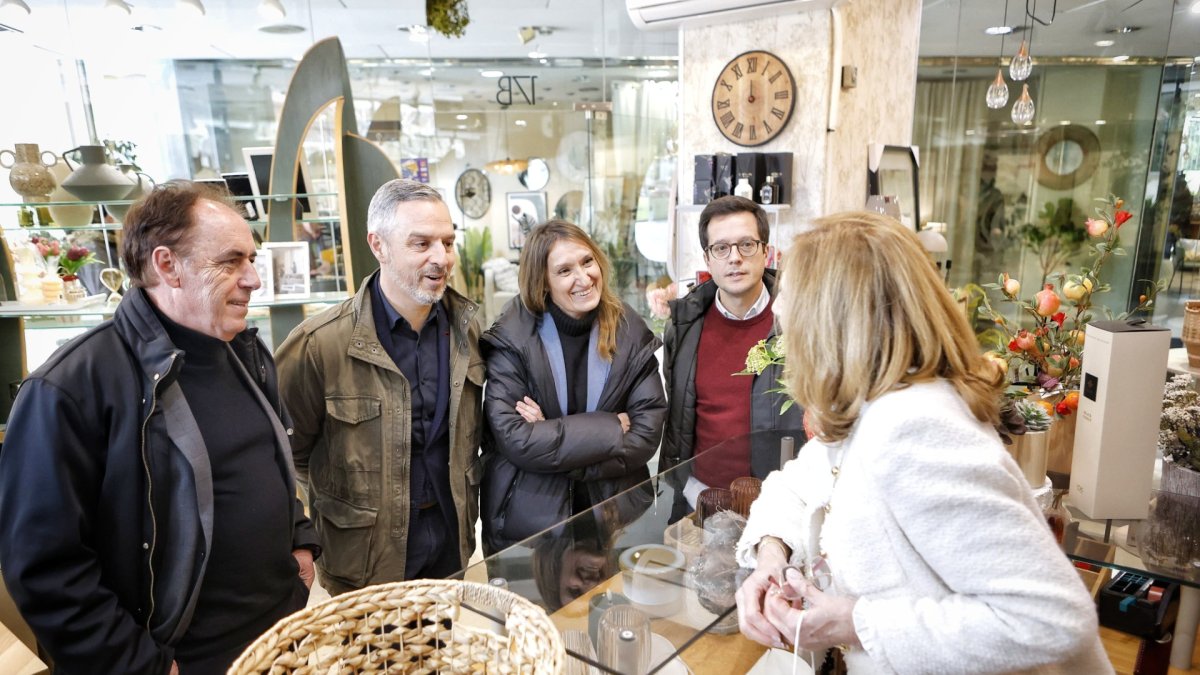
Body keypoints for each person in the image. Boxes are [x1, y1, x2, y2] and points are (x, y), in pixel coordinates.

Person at [734, 212, 1112, 673]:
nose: (775, 309)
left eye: (789, 295)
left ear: (836, 318)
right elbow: (798, 483)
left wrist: (854, 622)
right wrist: (771, 554)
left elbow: (1051, 619)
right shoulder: (878, 401)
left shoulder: (912, 426)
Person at [0, 181, 319, 675]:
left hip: (280, 639)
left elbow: (270, 462)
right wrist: (137, 665)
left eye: (251, 259)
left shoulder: (247, 353)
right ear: (166, 265)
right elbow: (46, 568)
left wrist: (301, 541)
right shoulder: (69, 388)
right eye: (231, 261)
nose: (254, 278)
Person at [275, 179, 485, 595]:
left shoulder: (469, 330)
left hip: (450, 543)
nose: (441, 258)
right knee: (372, 660)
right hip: (364, 557)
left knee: (440, 653)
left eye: (448, 242)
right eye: (421, 244)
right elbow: (285, 452)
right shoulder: (319, 345)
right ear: (378, 245)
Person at [480, 220, 667, 554]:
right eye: (565, 270)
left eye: (587, 261)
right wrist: (610, 428)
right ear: (543, 282)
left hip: (617, 516)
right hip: (533, 524)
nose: (583, 278)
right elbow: (516, 438)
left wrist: (553, 437)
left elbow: (646, 432)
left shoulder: (629, 330)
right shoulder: (513, 336)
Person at [661, 196, 804, 505]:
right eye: (721, 248)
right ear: (707, 259)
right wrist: (688, 489)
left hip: (779, 504)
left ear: (766, 252)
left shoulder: (800, 323)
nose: (735, 257)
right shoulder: (684, 325)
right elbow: (677, 421)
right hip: (700, 501)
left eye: (746, 245)